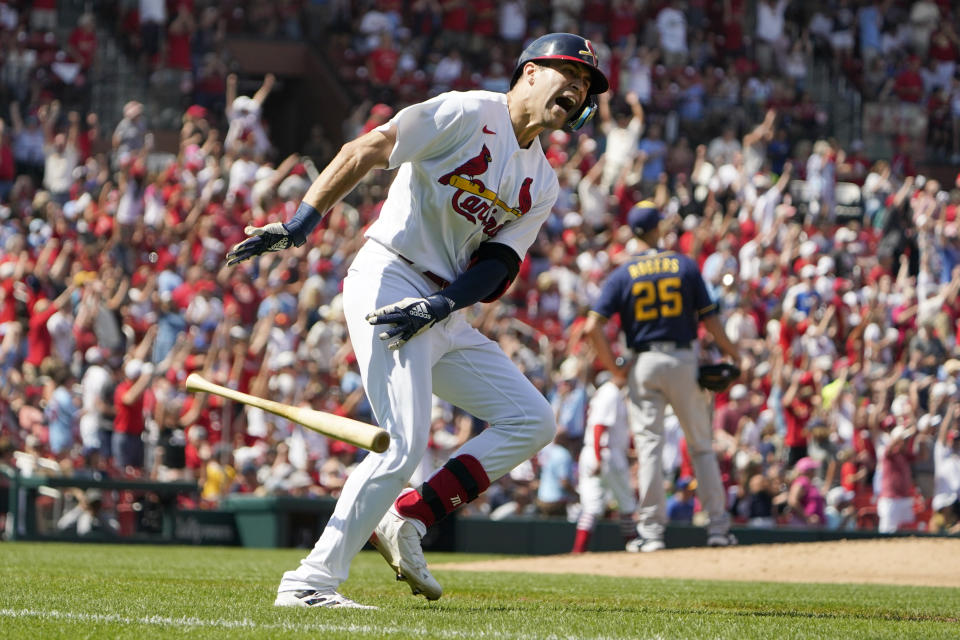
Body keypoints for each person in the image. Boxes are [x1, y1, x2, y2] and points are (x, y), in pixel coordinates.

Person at [226, 33, 609, 608]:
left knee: (532, 420)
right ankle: (309, 583)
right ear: (529, 72)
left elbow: (500, 263)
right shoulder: (466, 111)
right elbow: (368, 148)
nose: (577, 90)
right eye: (569, 75)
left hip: (442, 304)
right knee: (401, 443)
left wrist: (444, 305)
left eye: (585, 86)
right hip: (390, 277)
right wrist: (303, 222)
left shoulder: (543, 181)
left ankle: (410, 516)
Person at [583, 200, 741, 551]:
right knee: (700, 446)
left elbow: (592, 327)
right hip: (683, 359)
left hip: (642, 363)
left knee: (650, 449)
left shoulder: (622, 273)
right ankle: (718, 529)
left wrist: (614, 370)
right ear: (659, 228)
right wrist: (734, 353)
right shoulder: (684, 265)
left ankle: (652, 534)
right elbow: (710, 321)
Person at [572, 366, 637, 553]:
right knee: (626, 503)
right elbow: (599, 426)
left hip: (593, 451)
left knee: (591, 507)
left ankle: (578, 550)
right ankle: (632, 545)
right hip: (605, 453)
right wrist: (599, 458)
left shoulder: (603, 393)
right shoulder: (611, 392)